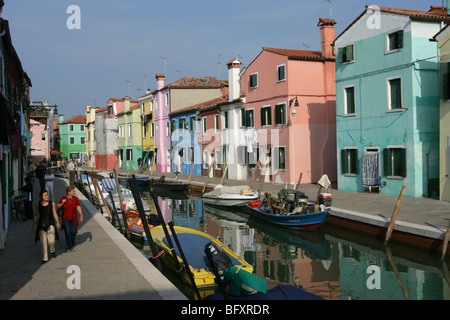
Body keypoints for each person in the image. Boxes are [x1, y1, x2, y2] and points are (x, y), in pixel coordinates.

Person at [32, 190, 60, 264]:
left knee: (51, 241)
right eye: (45, 195)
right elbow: (35, 215)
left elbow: (54, 213)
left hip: (50, 224)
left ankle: (52, 249)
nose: (47, 196)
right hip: (41, 224)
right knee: (43, 242)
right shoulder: (38, 204)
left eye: (47, 195)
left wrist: (57, 222)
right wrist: (33, 226)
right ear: (41, 196)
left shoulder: (52, 203)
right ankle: (45, 257)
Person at [57, 186, 83, 252]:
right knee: (67, 232)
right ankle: (69, 245)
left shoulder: (76, 199)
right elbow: (58, 206)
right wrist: (62, 202)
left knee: (74, 231)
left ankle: (72, 240)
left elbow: (78, 207)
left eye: (74, 191)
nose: (74, 192)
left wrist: (81, 215)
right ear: (68, 192)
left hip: (74, 218)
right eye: (73, 191)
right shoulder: (63, 198)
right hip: (65, 217)